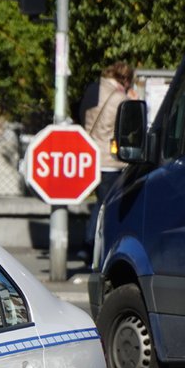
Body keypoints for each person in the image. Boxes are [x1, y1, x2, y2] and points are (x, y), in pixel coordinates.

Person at [79, 61, 137, 261]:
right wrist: (133, 101)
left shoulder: (93, 90)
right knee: (107, 205)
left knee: (100, 203)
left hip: (91, 156)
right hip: (109, 160)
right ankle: (91, 246)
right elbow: (130, 127)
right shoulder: (120, 98)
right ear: (126, 79)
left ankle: (88, 245)